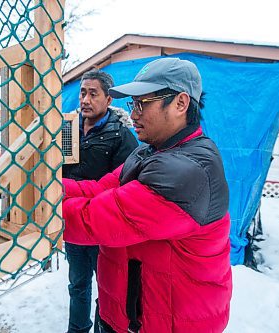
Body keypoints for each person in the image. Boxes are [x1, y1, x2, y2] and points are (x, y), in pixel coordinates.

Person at [62, 58, 232, 333]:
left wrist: (33, 207)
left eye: (143, 103)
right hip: (122, 312)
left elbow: (92, 220)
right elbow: (97, 188)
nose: (134, 114)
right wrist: (37, 190)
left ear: (180, 103)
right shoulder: (151, 151)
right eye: (133, 104)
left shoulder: (187, 171)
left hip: (164, 323)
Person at [63, 69, 138, 333]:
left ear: (109, 100)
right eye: (83, 92)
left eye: (93, 94)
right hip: (73, 223)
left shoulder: (121, 135)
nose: (85, 99)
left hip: (103, 228)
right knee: (78, 284)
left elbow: (122, 186)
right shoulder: (67, 129)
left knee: (107, 290)